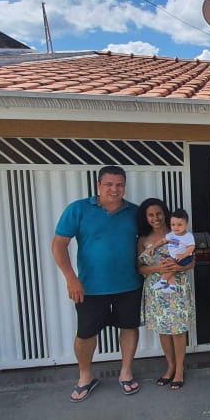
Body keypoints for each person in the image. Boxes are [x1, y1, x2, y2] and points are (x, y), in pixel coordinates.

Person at [52, 166, 143, 402]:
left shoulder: (134, 212)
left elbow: (150, 240)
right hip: (89, 288)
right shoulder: (78, 209)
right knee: (85, 334)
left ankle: (125, 373)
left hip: (129, 284)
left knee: (129, 327)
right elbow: (59, 245)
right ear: (98, 185)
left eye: (120, 184)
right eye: (109, 184)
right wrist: (72, 279)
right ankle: (85, 377)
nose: (115, 189)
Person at [136, 198, 196, 391]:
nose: (156, 218)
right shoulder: (143, 240)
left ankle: (179, 369)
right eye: (151, 215)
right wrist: (156, 268)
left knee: (178, 330)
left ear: (166, 214)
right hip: (156, 289)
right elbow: (139, 268)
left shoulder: (178, 233)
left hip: (177, 286)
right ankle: (170, 366)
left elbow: (192, 262)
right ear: (146, 218)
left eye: (159, 213)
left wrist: (178, 266)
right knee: (164, 330)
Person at [151, 208, 196, 293]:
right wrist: (153, 247)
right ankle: (172, 286)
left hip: (184, 258)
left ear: (186, 224)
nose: (176, 227)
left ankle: (163, 281)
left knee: (169, 266)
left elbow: (191, 247)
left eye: (179, 225)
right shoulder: (172, 234)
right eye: (173, 224)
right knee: (167, 265)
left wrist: (183, 255)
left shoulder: (188, 236)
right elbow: (162, 241)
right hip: (175, 257)